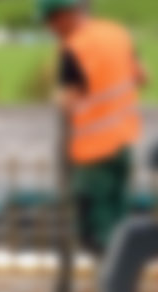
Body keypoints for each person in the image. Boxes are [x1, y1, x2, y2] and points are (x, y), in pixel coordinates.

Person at [39, 0, 147, 257]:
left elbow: (68, 101)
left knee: (96, 235)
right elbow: (142, 76)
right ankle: (122, 286)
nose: (50, 28)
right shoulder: (117, 33)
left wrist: (57, 96)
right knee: (119, 225)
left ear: (65, 16)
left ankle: (108, 291)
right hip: (123, 143)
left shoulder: (75, 48)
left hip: (92, 154)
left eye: (51, 21)